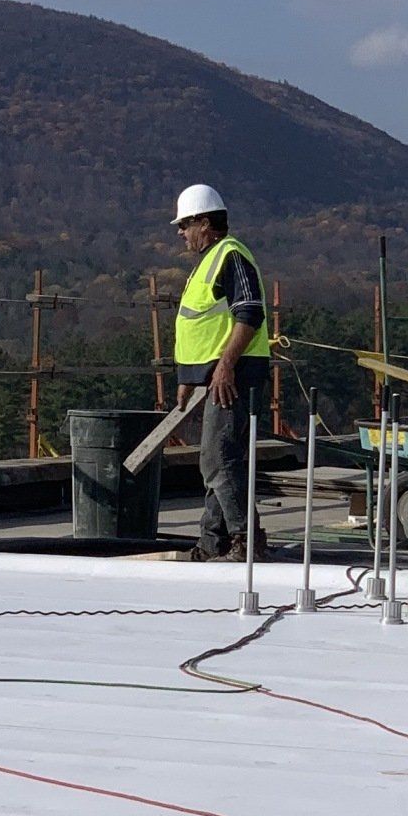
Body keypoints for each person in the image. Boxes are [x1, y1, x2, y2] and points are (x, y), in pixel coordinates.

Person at [170, 184, 270, 561]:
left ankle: (246, 540)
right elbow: (199, 326)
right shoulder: (208, 262)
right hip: (217, 376)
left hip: (234, 375)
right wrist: (187, 377)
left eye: (185, 225)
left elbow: (250, 314)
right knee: (218, 459)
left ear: (204, 223)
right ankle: (212, 542)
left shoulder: (230, 255)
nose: (181, 233)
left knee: (217, 459)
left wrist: (226, 366)